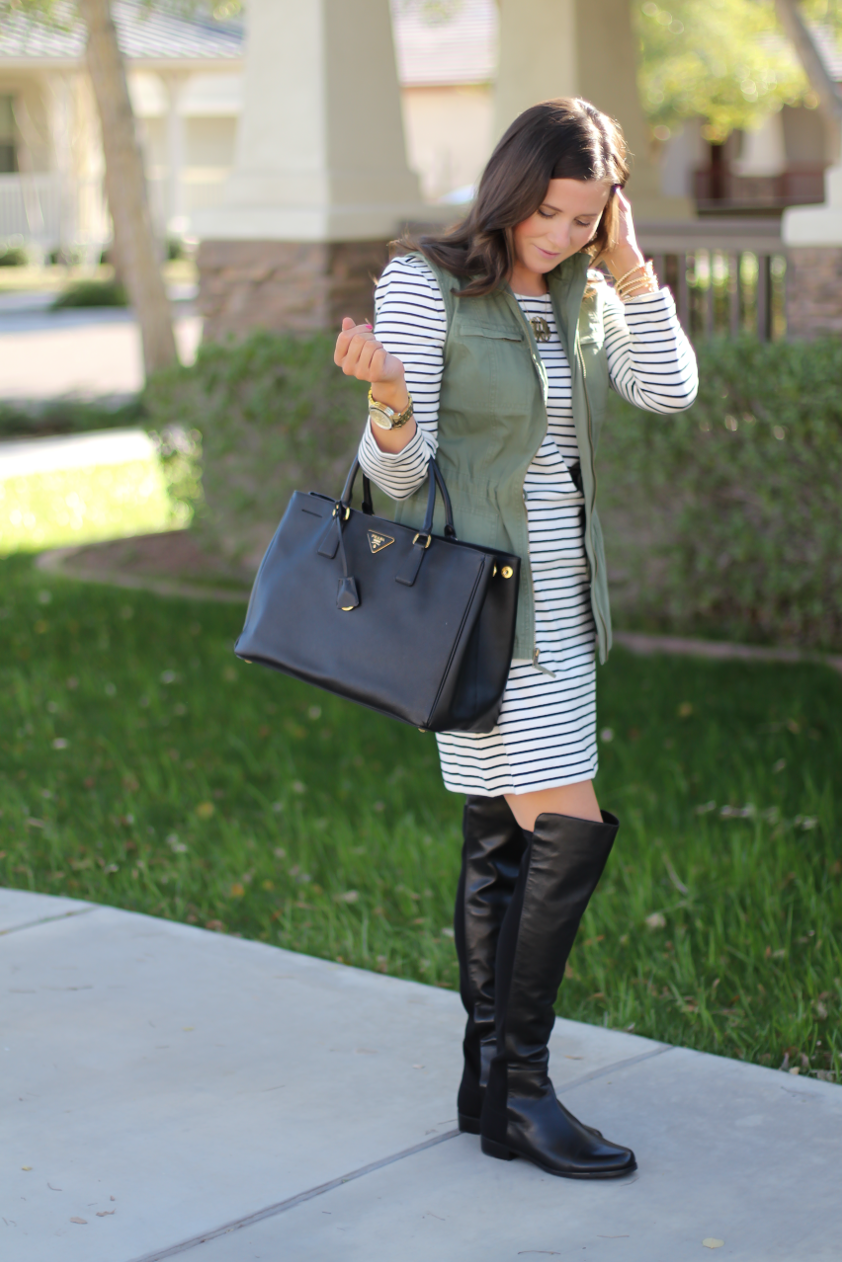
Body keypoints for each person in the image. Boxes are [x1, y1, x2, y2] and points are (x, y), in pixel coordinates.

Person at [333, 98, 698, 1179]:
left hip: (564, 610)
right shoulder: (425, 282)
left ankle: (486, 1081)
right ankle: (522, 1093)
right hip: (486, 610)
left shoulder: (585, 284)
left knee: (503, 832)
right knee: (566, 822)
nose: (559, 234)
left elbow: (667, 390)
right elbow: (399, 477)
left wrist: (628, 267)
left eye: (584, 218)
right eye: (547, 211)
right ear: (508, 188)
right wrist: (391, 401)